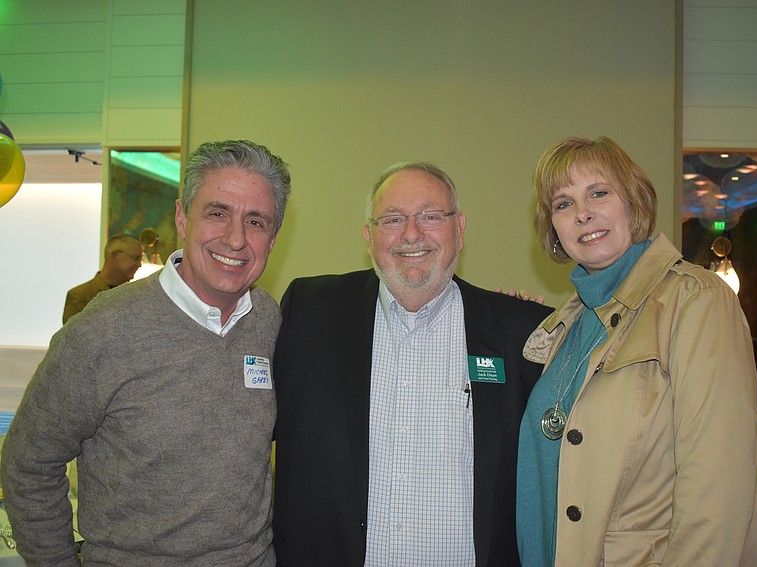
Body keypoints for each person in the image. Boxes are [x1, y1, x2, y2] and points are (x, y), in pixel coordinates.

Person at [1, 140, 291, 566]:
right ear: (181, 217)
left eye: (256, 221)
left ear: (273, 237)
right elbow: (28, 463)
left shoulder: (270, 321)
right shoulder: (103, 331)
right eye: (217, 213)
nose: (235, 238)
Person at [272, 161, 553, 566]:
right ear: (369, 237)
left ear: (459, 229)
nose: (411, 233)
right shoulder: (309, 312)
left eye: (430, 216)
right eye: (392, 219)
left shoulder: (520, 334)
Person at [515, 136, 757, 566]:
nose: (583, 213)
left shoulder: (695, 300)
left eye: (599, 192)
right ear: (553, 228)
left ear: (634, 202)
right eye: (563, 203)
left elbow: (718, 490)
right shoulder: (569, 323)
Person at [62, 234, 144, 323]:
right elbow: (72, 335)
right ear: (115, 255)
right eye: (135, 258)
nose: (139, 264)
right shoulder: (79, 296)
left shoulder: (137, 296)